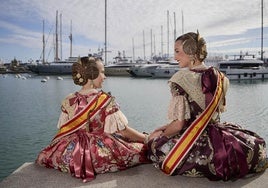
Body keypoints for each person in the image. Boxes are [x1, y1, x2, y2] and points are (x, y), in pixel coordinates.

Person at [147, 31, 268, 181]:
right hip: (217, 131)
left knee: (154, 143)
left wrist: (162, 134)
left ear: (191, 52)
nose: (175, 57)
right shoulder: (221, 77)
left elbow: (179, 125)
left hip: (193, 138)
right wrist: (166, 127)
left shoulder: (180, 78)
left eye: (177, 52)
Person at [36, 56, 149, 182]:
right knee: (141, 149)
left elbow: (64, 130)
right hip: (98, 152)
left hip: (71, 153)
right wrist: (146, 138)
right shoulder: (105, 100)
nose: (104, 77)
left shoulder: (69, 100)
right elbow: (123, 130)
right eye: (102, 72)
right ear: (91, 75)